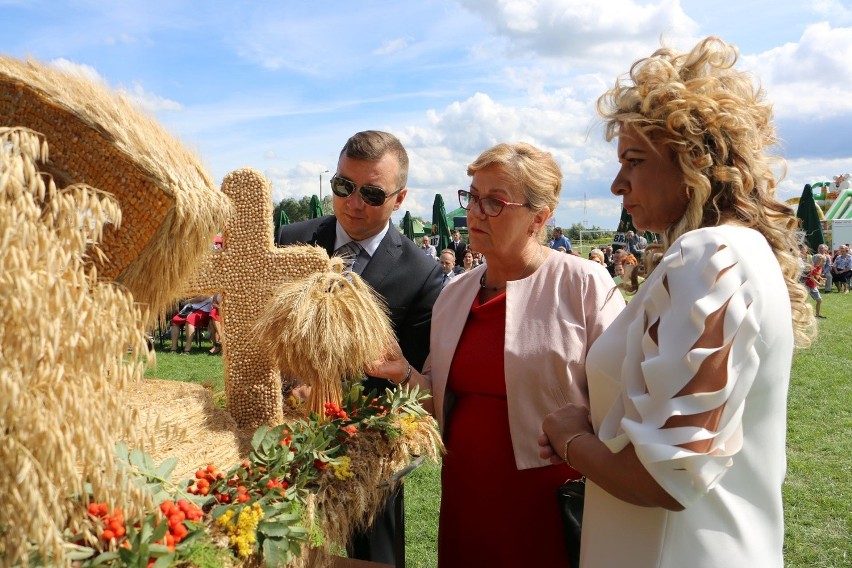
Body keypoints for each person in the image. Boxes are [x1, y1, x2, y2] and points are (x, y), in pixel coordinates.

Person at [539, 37, 815, 568]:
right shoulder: (732, 251)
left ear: (695, 160)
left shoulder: (709, 255)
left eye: (635, 160)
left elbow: (664, 477)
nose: (618, 183)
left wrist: (569, 437)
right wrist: (601, 422)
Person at [368, 142, 624, 566]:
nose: (474, 213)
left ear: (538, 218)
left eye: (494, 202)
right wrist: (404, 373)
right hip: (466, 497)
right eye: (472, 196)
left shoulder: (584, 283)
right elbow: (438, 399)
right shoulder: (454, 294)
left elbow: (625, 398)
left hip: (550, 501)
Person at [276, 130, 443, 564]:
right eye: (343, 187)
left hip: (369, 453)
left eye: (371, 193)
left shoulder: (421, 274)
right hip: (276, 440)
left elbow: (412, 381)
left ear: (399, 197)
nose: (353, 203)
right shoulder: (289, 240)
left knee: (376, 556)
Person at [805, 254, 826, 318]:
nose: (824, 263)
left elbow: (817, 275)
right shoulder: (813, 268)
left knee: (819, 300)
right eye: (823, 261)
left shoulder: (820, 267)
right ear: (818, 261)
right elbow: (811, 278)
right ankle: (803, 314)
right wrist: (818, 284)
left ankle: (817, 314)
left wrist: (821, 278)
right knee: (804, 300)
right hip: (807, 286)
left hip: (813, 286)